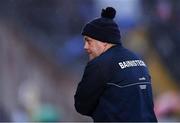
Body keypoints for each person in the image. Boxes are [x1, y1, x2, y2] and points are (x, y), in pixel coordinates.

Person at [74, 7, 157, 122]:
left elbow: (81, 105)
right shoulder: (139, 60)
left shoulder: (99, 65)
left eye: (88, 41)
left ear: (103, 41)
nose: (85, 47)